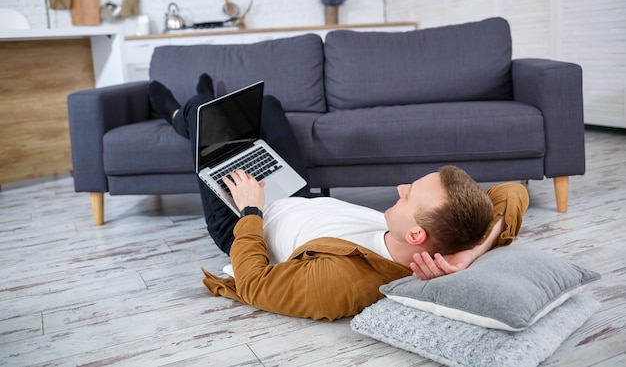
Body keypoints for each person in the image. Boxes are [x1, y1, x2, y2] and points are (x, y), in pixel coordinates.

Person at [148, 76, 530, 321]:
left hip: (245, 221)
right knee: (269, 105)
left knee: (201, 111)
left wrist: (250, 207)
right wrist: (468, 255)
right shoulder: (438, 242)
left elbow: (253, 284)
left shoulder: (342, 282)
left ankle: (179, 111)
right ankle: (215, 106)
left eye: (409, 195)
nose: (400, 188)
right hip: (299, 196)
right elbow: (512, 192)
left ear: (416, 234)